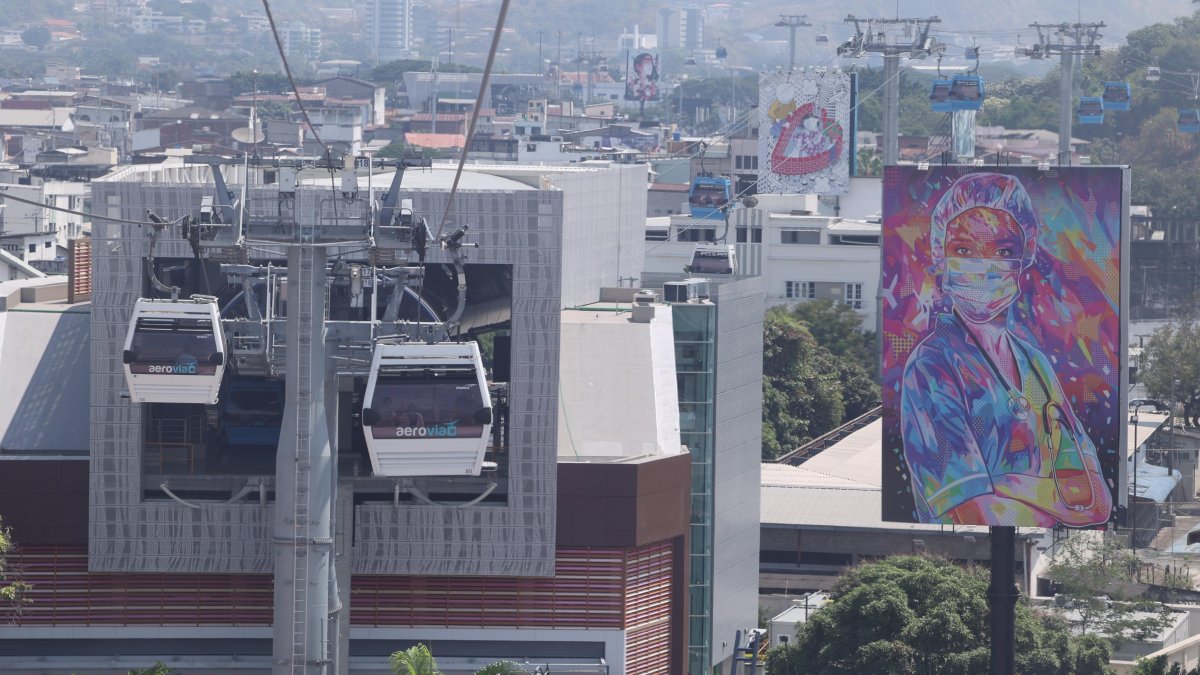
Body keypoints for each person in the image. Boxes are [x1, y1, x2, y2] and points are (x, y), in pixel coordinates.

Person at [900, 172, 1113, 528]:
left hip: (1034, 550)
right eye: (964, 250)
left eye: (1003, 252)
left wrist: (1001, 484)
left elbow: (1095, 501)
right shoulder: (931, 367)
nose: (984, 266)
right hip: (963, 555)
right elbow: (970, 512)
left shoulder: (1035, 364)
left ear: (1024, 259)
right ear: (941, 256)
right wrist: (1053, 500)